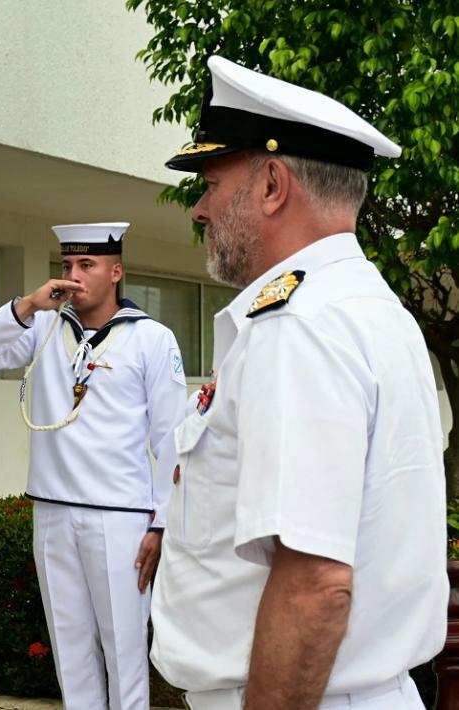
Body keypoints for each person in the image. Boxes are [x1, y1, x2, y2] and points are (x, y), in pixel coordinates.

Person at [150, 56, 447, 710]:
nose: (200, 209)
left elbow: (316, 582)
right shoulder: (370, 311)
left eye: (211, 182)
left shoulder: (299, 326)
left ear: (273, 184)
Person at [0, 223, 186, 710]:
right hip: (53, 511)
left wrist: (163, 522)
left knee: (123, 651)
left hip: (119, 516)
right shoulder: (42, 327)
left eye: (87, 265)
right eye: (66, 266)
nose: (74, 276)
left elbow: (171, 439)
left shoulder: (151, 338)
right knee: (70, 651)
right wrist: (26, 306)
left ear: (116, 271)